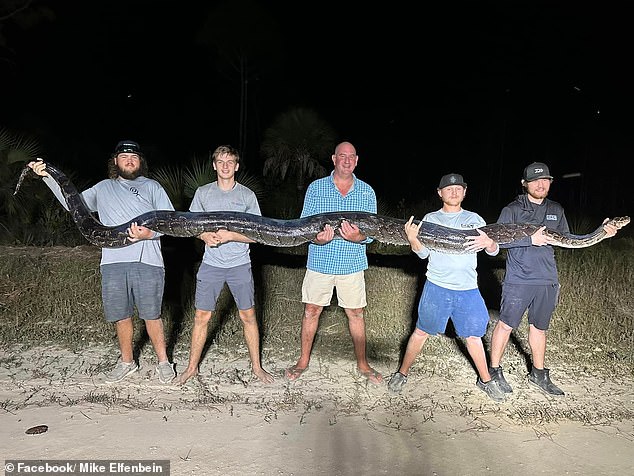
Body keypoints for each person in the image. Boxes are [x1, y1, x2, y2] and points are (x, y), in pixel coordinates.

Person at [28, 140, 176, 384]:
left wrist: (150, 233)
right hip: (113, 261)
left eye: (134, 157)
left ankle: (163, 362)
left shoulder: (152, 186)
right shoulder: (103, 187)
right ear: (115, 162)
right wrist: (47, 177)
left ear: (140, 163)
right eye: (124, 156)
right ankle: (127, 362)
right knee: (121, 315)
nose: (129, 160)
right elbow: (71, 204)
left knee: (152, 314)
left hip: (148, 260)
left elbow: (169, 221)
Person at [488, 162, 620, 396]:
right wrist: (530, 240)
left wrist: (600, 232)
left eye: (545, 180)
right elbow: (498, 242)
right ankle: (494, 371)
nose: (541, 184)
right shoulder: (512, 210)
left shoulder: (556, 209)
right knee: (506, 324)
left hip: (547, 279)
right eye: (536, 180)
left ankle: (538, 374)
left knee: (539, 328)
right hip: (519, 279)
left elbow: (569, 240)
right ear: (524, 184)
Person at [387, 173, 506, 402]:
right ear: (440, 193)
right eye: (448, 189)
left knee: (473, 336)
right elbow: (423, 254)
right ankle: (402, 373)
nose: (453, 191)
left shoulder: (475, 219)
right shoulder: (431, 219)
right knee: (421, 332)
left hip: (468, 289)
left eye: (458, 188)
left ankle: (485, 380)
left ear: (465, 191)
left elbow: (493, 251)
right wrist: (413, 240)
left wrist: (490, 243)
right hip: (437, 287)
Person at [285, 141, 383, 384]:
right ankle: (303, 361)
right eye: (342, 156)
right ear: (334, 159)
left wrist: (358, 237)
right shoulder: (316, 188)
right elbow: (304, 227)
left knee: (356, 313)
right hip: (320, 262)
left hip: (351, 263)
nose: (347, 160)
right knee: (311, 311)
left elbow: (371, 232)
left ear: (357, 160)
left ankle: (363, 363)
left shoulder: (366, 191)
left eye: (351, 156)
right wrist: (317, 240)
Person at [175, 145, 273, 385]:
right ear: (214, 165)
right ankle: (191, 368)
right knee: (201, 316)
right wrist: (203, 236)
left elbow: (258, 234)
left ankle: (257, 368)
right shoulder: (203, 193)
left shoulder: (247, 196)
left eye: (230, 161)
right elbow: (191, 226)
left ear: (237, 166)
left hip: (240, 264)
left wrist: (232, 236)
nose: (226, 165)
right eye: (221, 161)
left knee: (248, 315)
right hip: (211, 264)